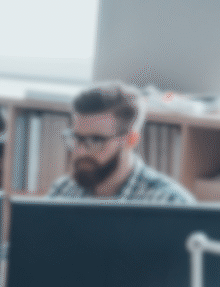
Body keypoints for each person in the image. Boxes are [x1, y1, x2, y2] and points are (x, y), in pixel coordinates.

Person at [46, 82, 195, 203]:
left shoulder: (169, 202)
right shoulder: (63, 192)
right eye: (77, 138)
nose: (80, 151)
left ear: (130, 140)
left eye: (96, 140)